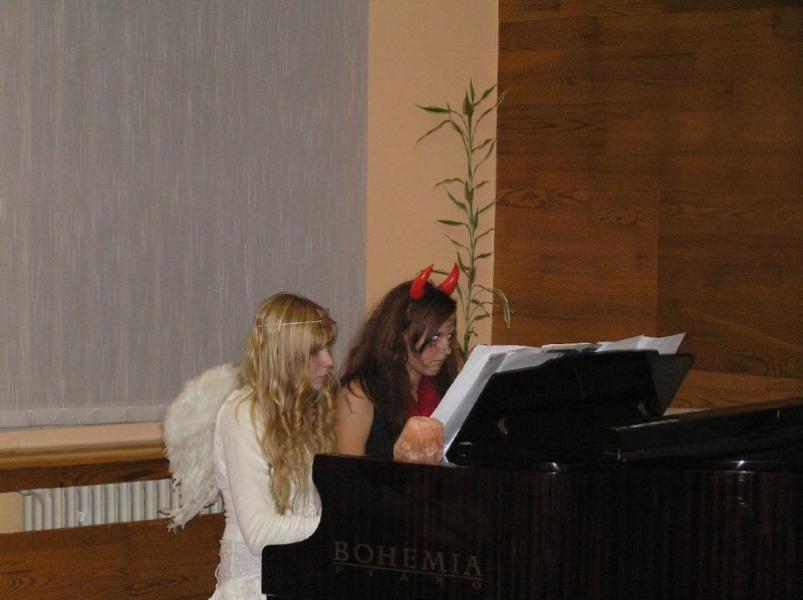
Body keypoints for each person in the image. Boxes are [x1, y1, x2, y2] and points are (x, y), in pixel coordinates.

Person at [165, 292, 337, 599]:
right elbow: (259, 532)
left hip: (296, 576)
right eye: (315, 351)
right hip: (253, 585)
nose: (329, 361)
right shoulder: (242, 415)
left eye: (327, 348)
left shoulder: (303, 411)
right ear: (285, 356)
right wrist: (341, 528)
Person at [335, 264, 462, 458]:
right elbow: (346, 473)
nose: (446, 349)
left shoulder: (441, 387)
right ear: (400, 334)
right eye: (435, 337)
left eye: (449, 336)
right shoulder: (359, 395)